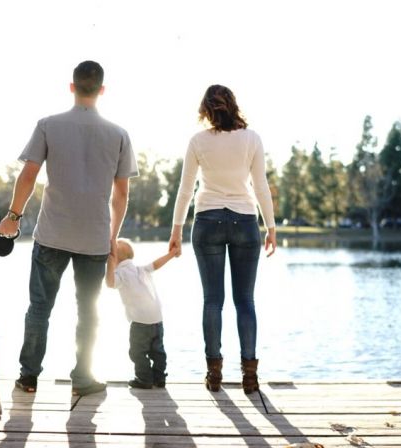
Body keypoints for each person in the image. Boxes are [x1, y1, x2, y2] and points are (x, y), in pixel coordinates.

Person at [0, 60, 138, 396]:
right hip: (93, 238)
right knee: (88, 310)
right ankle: (83, 379)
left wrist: (12, 217)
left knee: (39, 308)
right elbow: (121, 195)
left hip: (52, 235)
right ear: (101, 90)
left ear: (72, 87)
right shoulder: (118, 134)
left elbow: (28, 176)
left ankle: (28, 377)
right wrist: (113, 236)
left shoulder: (48, 125)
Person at [168, 84, 276, 394]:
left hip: (207, 221)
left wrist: (176, 230)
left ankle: (214, 376)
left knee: (213, 301)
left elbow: (185, 189)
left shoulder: (198, 141)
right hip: (244, 222)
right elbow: (261, 186)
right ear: (233, 106)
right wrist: (271, 226)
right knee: (245, 302)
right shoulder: (251, 139)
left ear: (206, 110)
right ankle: (250, 377)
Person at [105, 239, 178, 389]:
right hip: (157, 319)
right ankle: (159, 378)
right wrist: (171, 254)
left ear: (115, 258)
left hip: (140, 322)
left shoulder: (120, 273)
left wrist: (109, 264)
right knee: (157, 350)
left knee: (137, 352)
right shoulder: (140, 269)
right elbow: (156, 264)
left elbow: (110, 283)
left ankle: (144, 379)